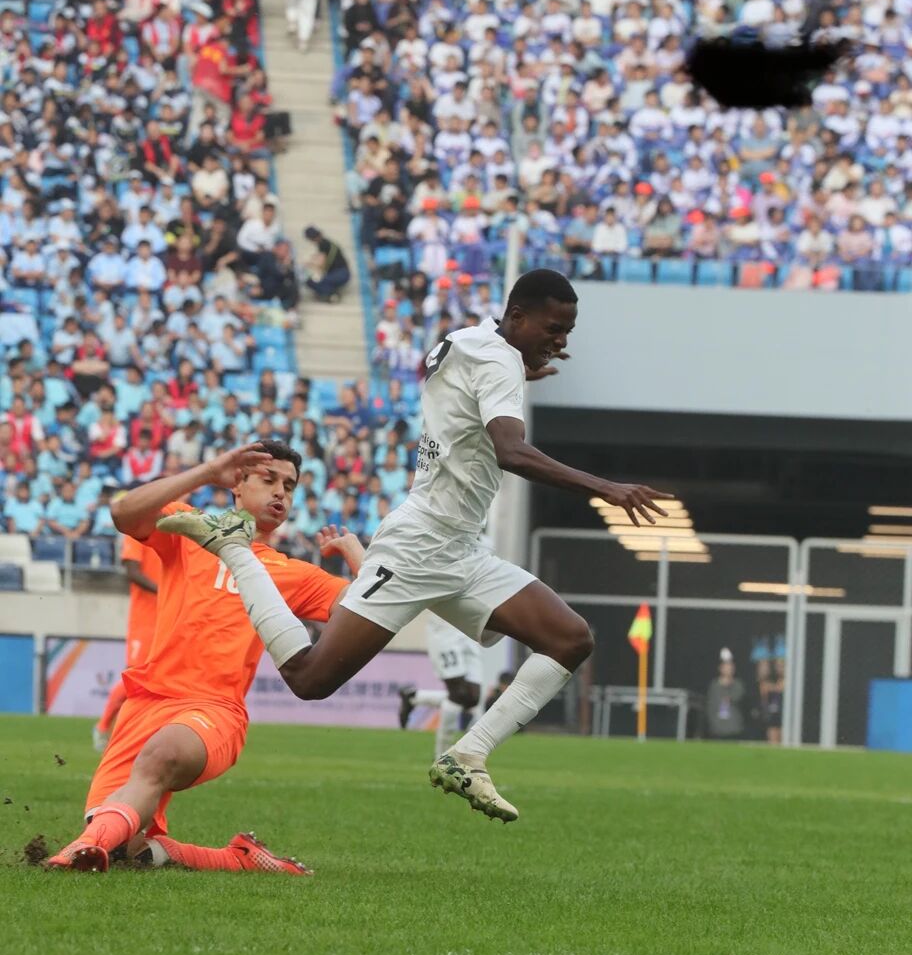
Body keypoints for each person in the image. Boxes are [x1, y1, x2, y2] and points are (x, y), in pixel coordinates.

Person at [159, 269, 672, 823]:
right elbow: (511, 452)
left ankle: (467, 756)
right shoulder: (497, 360)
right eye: (553, 329)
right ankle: (236, 549)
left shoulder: (468, 341)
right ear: (518, 318)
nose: (562, 341)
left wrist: (522, 366)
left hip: (462, 549)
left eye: (568, 332)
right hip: (417, 545)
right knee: (309, 679)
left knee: (570, 638)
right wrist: (607, 488)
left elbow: (445, 370)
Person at [47, 441, 364, 874]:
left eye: (289, 486)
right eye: (268, 479)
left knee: (160, 757)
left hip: (214, 710)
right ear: (237, 484)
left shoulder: (293, 573)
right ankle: (238, 859)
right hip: (147, 704)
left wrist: (356, 554)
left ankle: (80, 849)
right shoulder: (191, 530)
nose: (280, 492)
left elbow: (369, 609)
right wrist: (207, 471)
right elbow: (123, 513)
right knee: (128, 848)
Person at [93, 528, 162, 753]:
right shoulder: (136, 532)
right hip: (146, 619)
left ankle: (139, 733)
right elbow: (132, 572)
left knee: (159, 677)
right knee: (135, 676)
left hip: (170, 617)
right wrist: (165, 591)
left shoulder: (173, 533)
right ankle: (103, 726)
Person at [398, 612, 484, 759]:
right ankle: (442, 756)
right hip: (445, 627)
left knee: (472, 698)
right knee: (458, 693)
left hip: (468, 627)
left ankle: (413, 697)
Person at [705, 646, 745, 739]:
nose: (729, 668)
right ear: (720, 668)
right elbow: (710, 706)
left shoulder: (738, 684)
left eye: (731, 666)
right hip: (717, 729)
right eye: (726, 666)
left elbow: (737, 697)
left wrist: (728, 684)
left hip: (734, 729)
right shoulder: (714, 685)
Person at [302, 225, 351, 302]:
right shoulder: (327, 243)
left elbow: (321, 263)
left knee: (311, 281)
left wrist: (308, 264)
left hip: (340, 273)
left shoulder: (323, 244)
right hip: (341, 273)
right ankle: (329, 293)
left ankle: (331, 294)